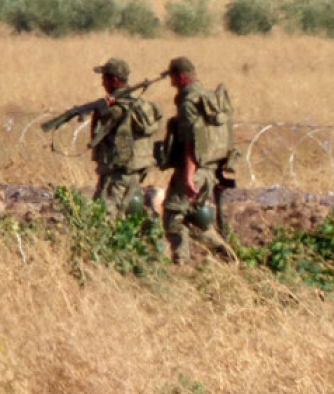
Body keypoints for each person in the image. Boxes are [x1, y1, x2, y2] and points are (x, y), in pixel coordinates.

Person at [160, 56, 238, 264]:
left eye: (174, 78)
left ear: (182, 77)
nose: (172, 83)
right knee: (193, 217)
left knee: (173, 215)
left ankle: (181, 261)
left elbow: (190, 144)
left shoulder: (189, 104)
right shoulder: (210, 99)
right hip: (212, 170)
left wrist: (188, 177)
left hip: (195, 170)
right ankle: (223, 251)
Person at [90, 57, 163, 218]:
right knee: (127, 214)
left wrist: (98, 114)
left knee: (103, 216)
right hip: (137, 171)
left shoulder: (115, 110)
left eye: (104, 79)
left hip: (117, 173)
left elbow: (96, 138)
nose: (103, 83)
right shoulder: (141, 105)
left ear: (114, 80)